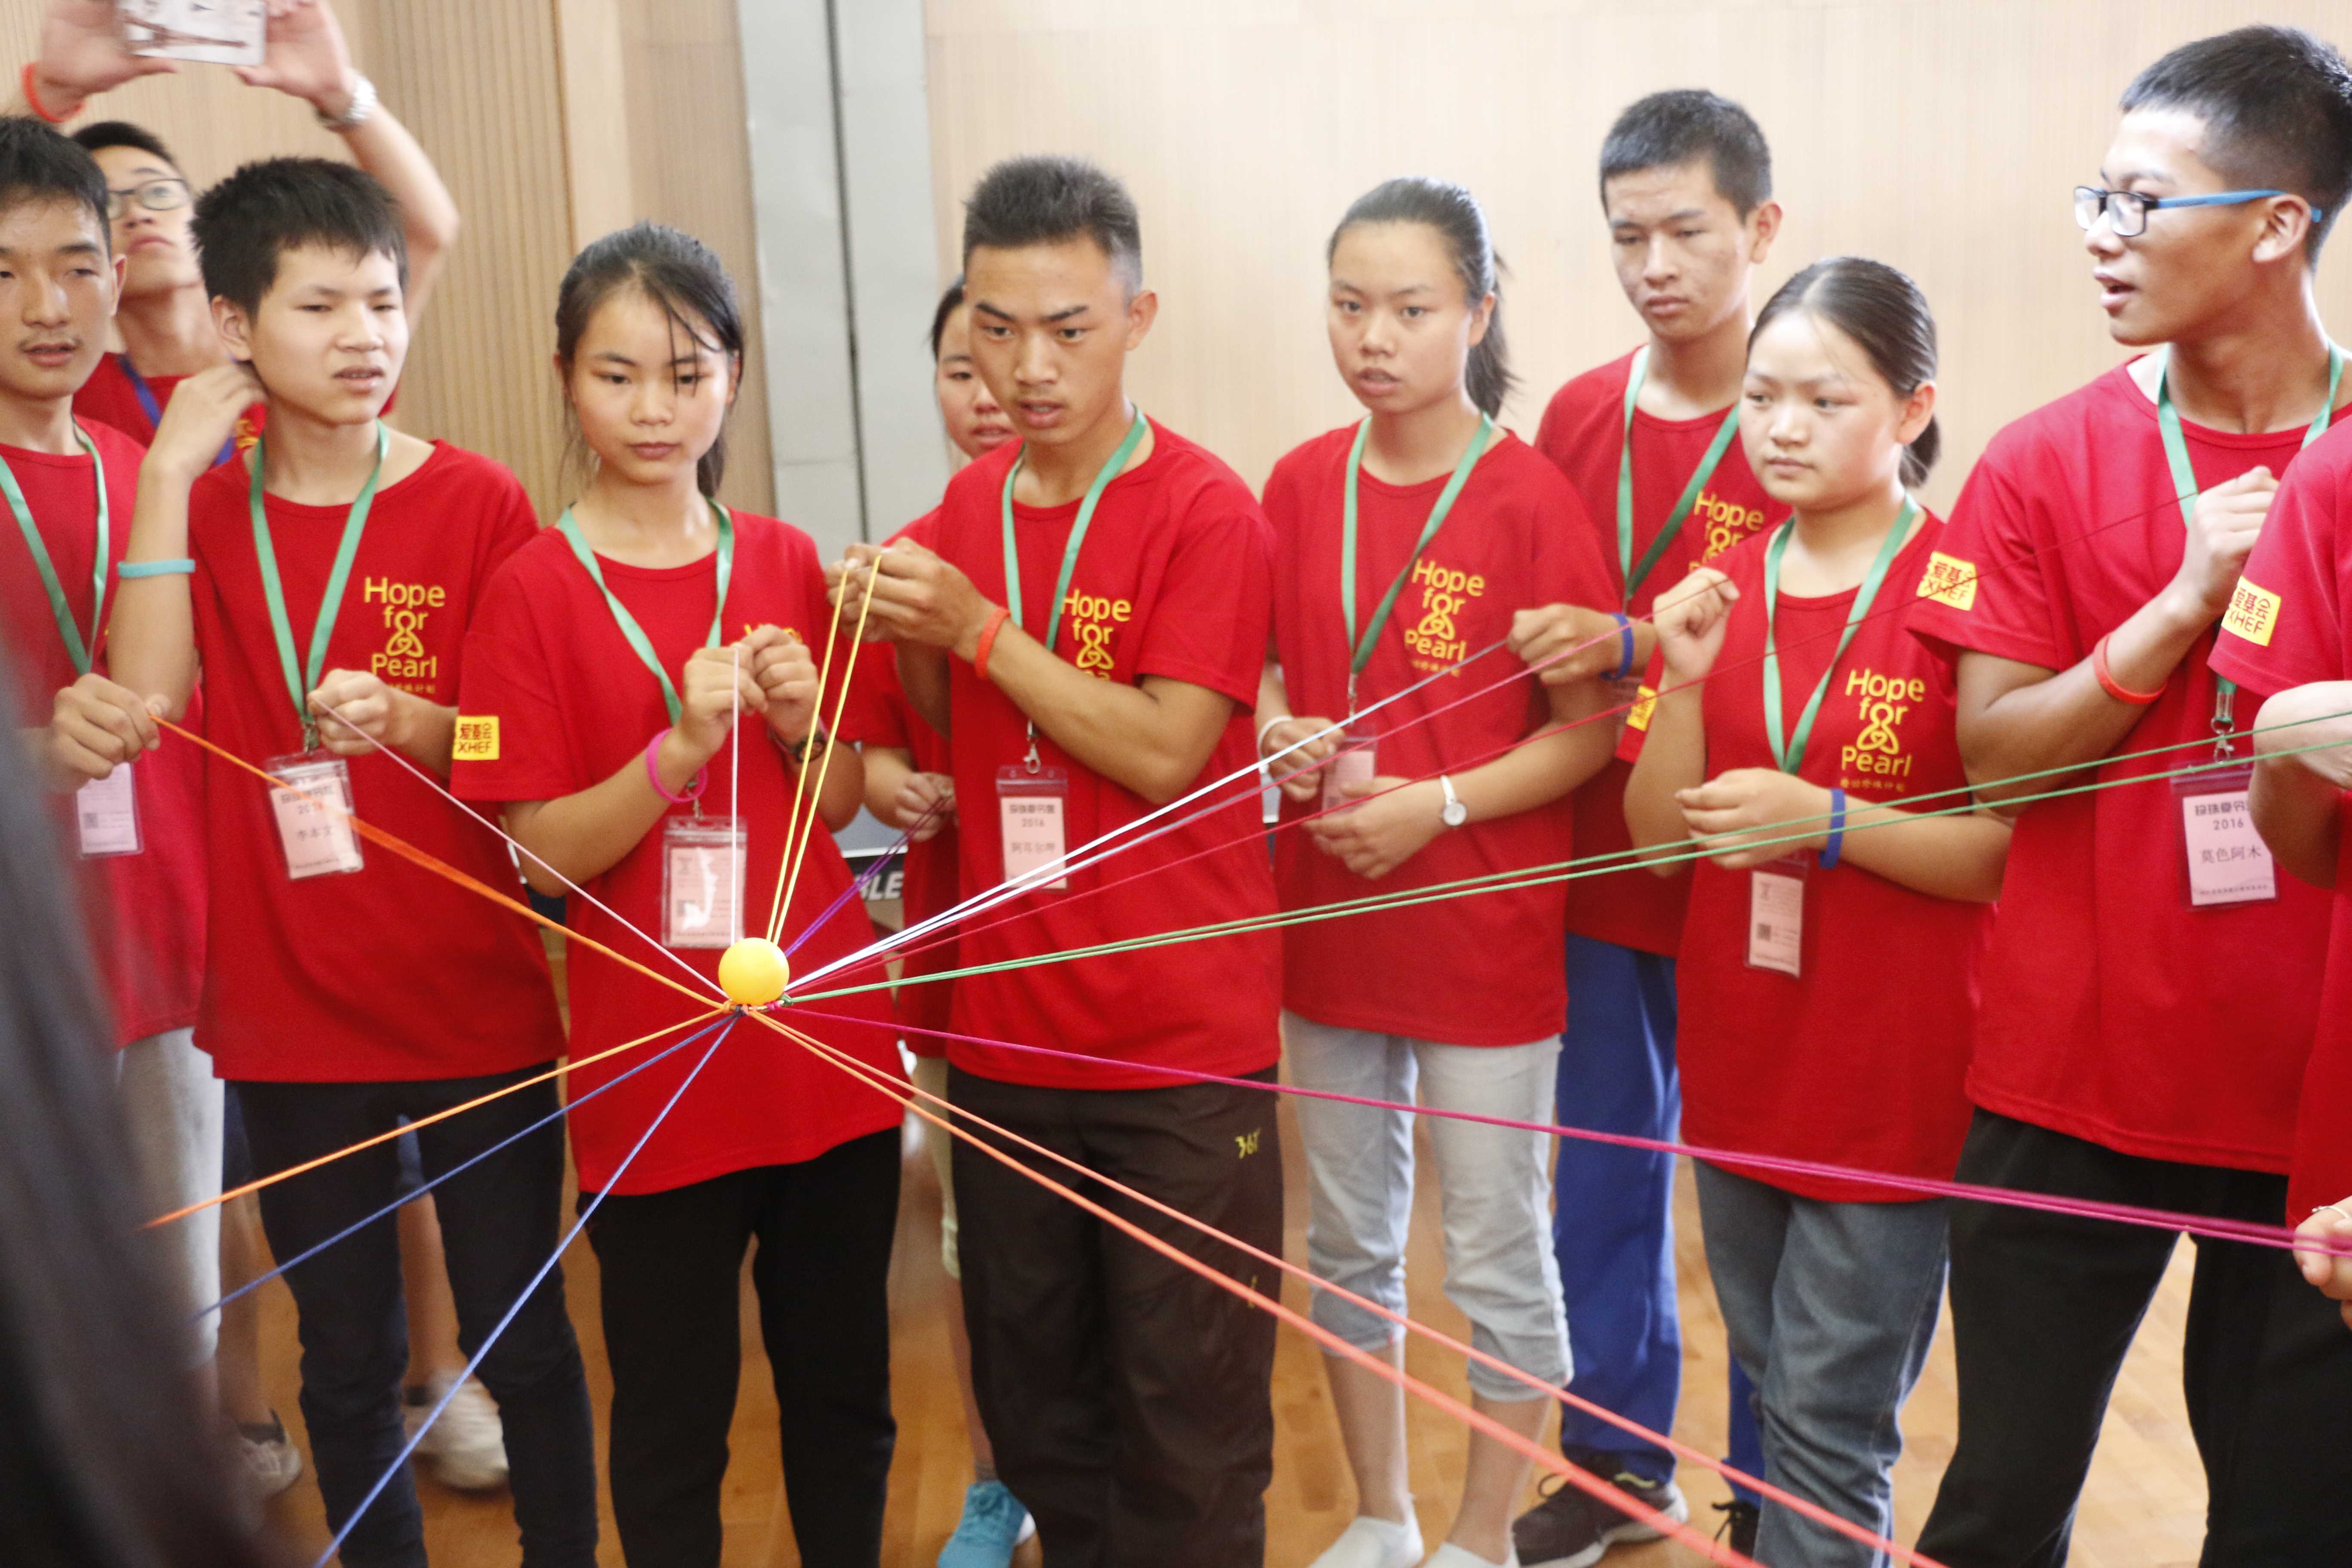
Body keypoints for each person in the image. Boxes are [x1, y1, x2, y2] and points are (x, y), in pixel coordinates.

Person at [95, 156, 598, 1567]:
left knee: (525, 1339)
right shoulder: (201, 509)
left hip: (473, 994)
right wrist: (169, 472)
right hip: (289, 1011)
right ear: (235, 325)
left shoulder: (480, 501)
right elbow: (144, 701)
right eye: (320, 307)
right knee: (344, 1355)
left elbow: (523, 741)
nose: (366, 334)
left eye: (381, 301)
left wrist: (424, 720)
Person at [1905, 26, 2352, 1565]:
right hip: (2068, 1078)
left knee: (2287, 1526)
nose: (2101, 234)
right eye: (2094, 198)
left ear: (2277, 223)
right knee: (1997, 1504)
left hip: (2313, 1103)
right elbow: (1993, 756)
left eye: (2141, 203)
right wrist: (2179, 605)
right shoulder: (2043, 459)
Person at [833, 155, 1284, 1566]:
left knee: (1190, 1419)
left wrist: (974, 630)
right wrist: (885, 637)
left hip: (1180, 1054)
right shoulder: (957, 519)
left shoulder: (1208, 510)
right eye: (995, 327)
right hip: (1009, 1043)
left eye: (1067, 329)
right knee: (1040, 1412)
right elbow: (912, 741)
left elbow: (1164, 749)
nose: (1026, 368)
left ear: (1137, 318)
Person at [452, 221, 906, 1568]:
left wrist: (803, 723)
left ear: (734, 379)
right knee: (669, 1422)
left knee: (846, 1401)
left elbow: (839, 804)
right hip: (654, 1073)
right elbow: (539, 857)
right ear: (565, 379)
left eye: (688, 372)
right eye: (618, 375)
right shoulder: (530, 590)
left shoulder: (785, 558)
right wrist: (675, 755)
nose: (655, 408)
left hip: (827, 1051)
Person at [1256, 176, 1616, 1568]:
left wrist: (1441, 803)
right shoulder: (1299, 482)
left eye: (1410, 308)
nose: (1374, 337)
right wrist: (1279, 725)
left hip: (1480, 936)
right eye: (1350, 305)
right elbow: (1266, 668)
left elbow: (1587, 732)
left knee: (1494, 1249)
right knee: (1347, 1240)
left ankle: (1481, 1534)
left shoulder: (1532, 497)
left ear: (1476, 311)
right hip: (1331, 924)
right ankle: (1382, 1511)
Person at [1625, 257, 2001, 1567]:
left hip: (1892, 1085)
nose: (1781, 428)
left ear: (1912, 409)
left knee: (1831, 1427)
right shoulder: (1717, 584)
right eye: (1761, 396)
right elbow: (1653, 846)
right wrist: (1681, 679)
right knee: (1776, 1397)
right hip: (1742, 1067)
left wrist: (1829, 822)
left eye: (1825, 400)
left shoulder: (1966, 590)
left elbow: (2008, 856)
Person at [1507, 89, 1782, 1565]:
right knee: (1604, 1171)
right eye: (1628, 237)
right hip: (1604, 854)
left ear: (1761, 228)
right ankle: (1617, 1463)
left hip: (1753, 854)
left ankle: (1780, 1486)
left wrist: (1625, 641)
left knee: (1762, 1190)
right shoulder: (1575, 414)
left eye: (1686, 230)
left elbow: (1825, 628)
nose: (1655, 265)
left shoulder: (1806, 403)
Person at [0, 110, 218, 1426]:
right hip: (26, 983)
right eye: (4, 272)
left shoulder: (149, 472)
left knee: (173, 1329)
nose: (48, 306)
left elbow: (169, 702)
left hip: (162, 958)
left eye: (77, 266)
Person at [0, 630, 281, 1568]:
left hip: (171, 932)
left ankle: (184, 1475)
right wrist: (32, 752)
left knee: (184, 1267)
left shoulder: (176, 520)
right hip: (34, 964)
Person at [854, 276, 1035, 1567]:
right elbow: (866, 747)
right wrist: (892, 785)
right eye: (962, 367)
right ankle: (992, 1479)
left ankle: (1092, 1470)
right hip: (963, 959)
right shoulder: (904, 559)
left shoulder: (1131, 527)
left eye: (1016, 355)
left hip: (1106, 966)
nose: (990, 392)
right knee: (978, 1242)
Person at [10, 0, 458, 452]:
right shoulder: (62, 383)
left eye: (159, 192)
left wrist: (340, 93)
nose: (139, 214)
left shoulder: (301, 351)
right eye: (108, 204)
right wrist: (50, 92)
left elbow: (426, 232)